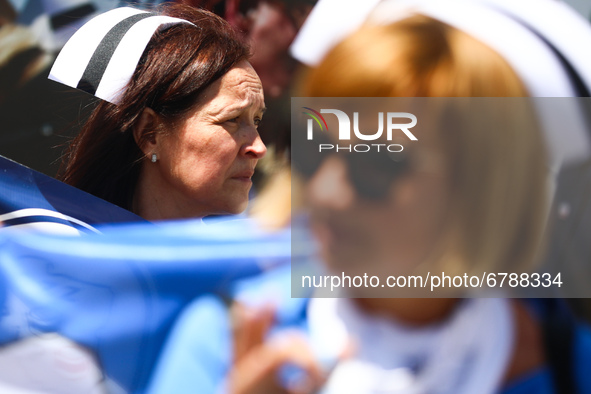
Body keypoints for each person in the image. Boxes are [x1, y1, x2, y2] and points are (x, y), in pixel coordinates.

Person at [144, 0, 591, 393]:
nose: (326, 192)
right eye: (318, 154)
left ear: (483, 185)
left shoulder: (567, 365)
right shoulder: (232, 341)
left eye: (379, 166)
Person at [49, 4, 267, 220]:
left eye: (256, 121)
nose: (259, 148)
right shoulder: (60, 248)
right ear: (150, 133)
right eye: (232, 119)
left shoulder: (255, 253)